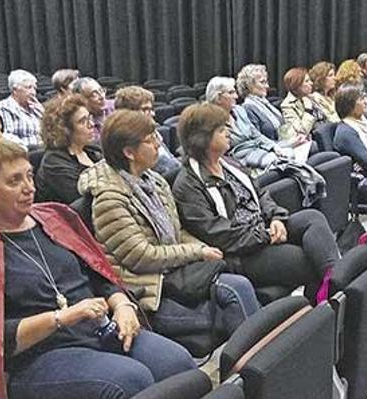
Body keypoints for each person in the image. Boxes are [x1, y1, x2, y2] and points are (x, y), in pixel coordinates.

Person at [0, 137, 195, 399]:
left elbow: (97, 276)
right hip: (33, 361)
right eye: (14, 181)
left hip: (98, 331)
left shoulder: (54, 217)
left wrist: (123, 305)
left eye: (29, 175)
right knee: (131, 381)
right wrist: (61, 318)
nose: (29, 187)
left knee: (176, 363)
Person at [79, 110, 260, 342]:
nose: (159, 143)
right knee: (231, 302)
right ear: (129, 153)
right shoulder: (109, 199)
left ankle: (256, 365)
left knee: (239, 286)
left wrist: (202, 248)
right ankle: (253, 368)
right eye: (150, 139)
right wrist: (197, 252)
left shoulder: (154, 180)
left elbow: (177, 231)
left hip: (173, 272)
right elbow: (141, 256)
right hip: (147, 288)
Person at [172, 103, 339, 297]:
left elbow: (260, 195)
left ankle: (336, 286)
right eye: (221, 129)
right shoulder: (188, 184)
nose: (228, 132)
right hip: (240, 254)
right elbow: (217, 234)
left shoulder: (229, 163)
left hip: (261, 231)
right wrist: (266, 235)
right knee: (308, 259)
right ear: (201, 139)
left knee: (312, 217)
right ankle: (336, 295)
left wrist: (276, 218)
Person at [205, 77, 325, 205]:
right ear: (218, 97)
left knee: (297, 151)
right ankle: (303, 194)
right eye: (231, 93)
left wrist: (274, 147)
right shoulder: (210, 118)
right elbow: (223, 150)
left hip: (258, 147)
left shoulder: (238, 111)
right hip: (239, 156)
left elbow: (256, 134)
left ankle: (306, 194)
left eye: (235, 91)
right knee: (283, 162)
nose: (236, 96)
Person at [36, 95, 103, 204]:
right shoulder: (54, 162)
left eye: (90, 118)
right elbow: (83, 201)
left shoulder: (92, 150)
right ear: (65, 129)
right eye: (83, 121)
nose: (91, 124)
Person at [114, 85, 181, 175]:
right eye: (146, 109)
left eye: (151, 109)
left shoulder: (152, 132)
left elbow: (170, 160)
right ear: (130, 113)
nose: (152, 113)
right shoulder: (127, 139)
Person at [280, 67, 337, 141]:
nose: (311, 83)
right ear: (297, 85)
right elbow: (301, 131)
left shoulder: (311, 97)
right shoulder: (287, 105)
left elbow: (327, 116)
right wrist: (308, 111)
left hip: (329, 130)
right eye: (307, 81)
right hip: (313, 139)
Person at [0, 69, 44, 148]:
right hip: (23, 152)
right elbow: (8, 136)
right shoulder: (4, 107)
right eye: (28, 88)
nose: (33, 92)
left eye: (34, 88)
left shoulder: (36, 107)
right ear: (15, 90)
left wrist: (43, 112)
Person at [237, 63, 283, 140]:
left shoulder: (266, 104)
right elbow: (256, 140)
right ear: (249, 85)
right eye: (262, 82)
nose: (267, 86)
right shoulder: (248, 108)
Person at [71, 77, 114, 141]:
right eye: (94, 94)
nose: (102, 96)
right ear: (82, 99)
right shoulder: (81, 121)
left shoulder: (116, 106)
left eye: (101, 90)